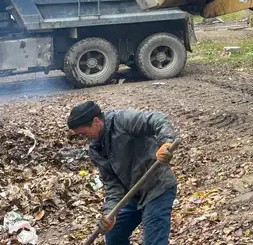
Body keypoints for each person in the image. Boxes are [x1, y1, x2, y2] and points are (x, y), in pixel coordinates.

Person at [67, 101, 178, 245]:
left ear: (95, 122)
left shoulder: (123, 120)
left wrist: (166, 143)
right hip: (132, 194)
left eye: (83, 133)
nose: (84, 138)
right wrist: (109, 213)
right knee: (114, 234)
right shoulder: (95, 149)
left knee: (154, 242)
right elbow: (112, 184)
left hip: (157, 187)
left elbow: (157, 119)